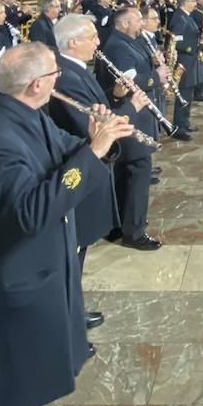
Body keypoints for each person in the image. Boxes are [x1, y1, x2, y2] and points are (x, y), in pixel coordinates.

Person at [0, 43, 133, 406]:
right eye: (55, 76)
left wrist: (95, 140)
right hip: (13, 290)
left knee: (20, 395)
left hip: (43, 275)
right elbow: (33, 211)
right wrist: (94, 152)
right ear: (37, 84)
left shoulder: (27, 117)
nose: (59, 82)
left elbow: (67, 152)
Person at [50, 14, 124, 271]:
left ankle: (73, 306)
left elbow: (95, 107)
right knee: (74, 246)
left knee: (78, 246)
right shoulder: (67, 77)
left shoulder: (76, 69)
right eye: (92, 37)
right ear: (73, 42)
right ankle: (71, 310)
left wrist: (114, 97)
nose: (97, 42)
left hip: (85, 160)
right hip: (79, 162)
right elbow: (85, 125)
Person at [95, 6, 162, 249]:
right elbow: (129, 80)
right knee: (137, 174)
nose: (141, 23)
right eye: (137, 20)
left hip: (132, 115)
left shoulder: (129, 41)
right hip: (129, 116)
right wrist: (157, 76)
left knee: (124, 174)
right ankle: (134, 232)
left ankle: (118, 225)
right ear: (123, 23)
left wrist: (154, 62)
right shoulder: (117, 45)